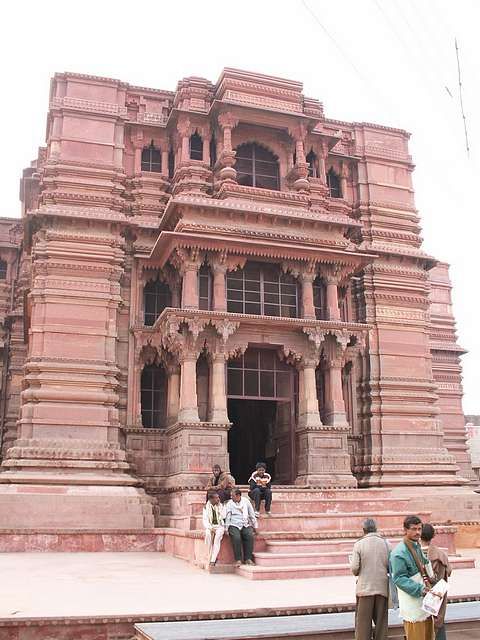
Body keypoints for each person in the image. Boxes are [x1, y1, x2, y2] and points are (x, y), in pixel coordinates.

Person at [391, 515, 440, 640]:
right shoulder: (399, 553)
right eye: (414, 529)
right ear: (405, 530)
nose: (417, 532)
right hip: (413, 604)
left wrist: (432, 580)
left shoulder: (415, 546)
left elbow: (424, 565)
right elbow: (399, 579)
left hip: (424, 602)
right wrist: (421, 590)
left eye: (419, 529)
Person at [350, 518, 390, 640]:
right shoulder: (386, 543)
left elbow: (355, 569)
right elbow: (390, 567)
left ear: (364, 530)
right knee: (381, 626)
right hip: (382, 589)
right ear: (376, 529)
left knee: (363, 626)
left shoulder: (359, 544)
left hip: (365, 589)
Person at [421, 524, 452, 640]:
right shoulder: (441, 554)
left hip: (422, 593)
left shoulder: (415, 554)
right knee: (439, 623)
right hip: (439, 594)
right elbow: (449, 571)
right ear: (433, 536)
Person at [224, 488, 258, 567]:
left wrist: (255, 526)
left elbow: (252, 514)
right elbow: (228, 517)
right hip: (233, 524)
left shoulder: (246, 501)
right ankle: (238, 559)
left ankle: (248, 559)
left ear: (238, 495)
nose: (231, 497)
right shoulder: (229, 503)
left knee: (249, 535)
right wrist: (226, 528)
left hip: (245, 523)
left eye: (232, 496)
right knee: (236, 537)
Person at [202, 491, 225, 567]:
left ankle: (213, 559)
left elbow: (223, 517)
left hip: (220, 526)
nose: (218, 499)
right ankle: (208, 554)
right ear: (211, 499)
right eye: (216, 498)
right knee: (208, 534)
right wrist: (211, 528)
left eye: (218, 497)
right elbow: (205, 521)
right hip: (210, 526)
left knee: (217, 539)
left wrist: (219, 508)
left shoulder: (221, 506)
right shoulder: (206, 507)